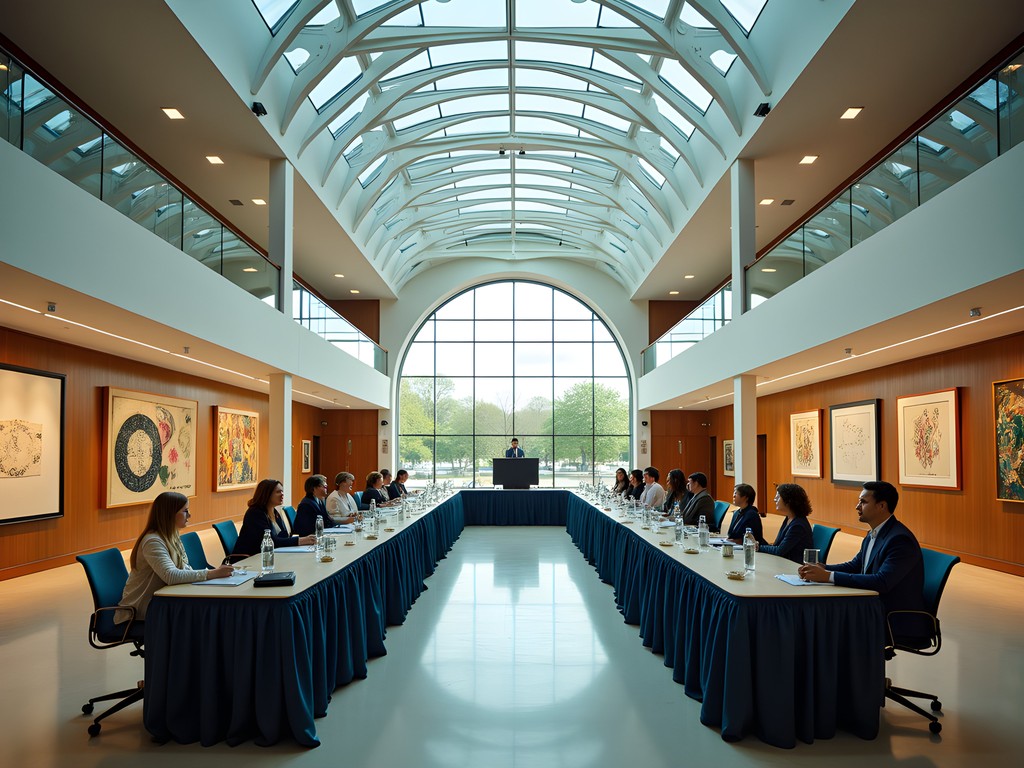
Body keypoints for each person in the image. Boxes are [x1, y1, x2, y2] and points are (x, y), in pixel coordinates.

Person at [798, 481, 927, 644]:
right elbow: (856, 565)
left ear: (881, 506)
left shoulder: (899, 540)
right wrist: (822, 569)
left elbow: (882, 582)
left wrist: (828, 576)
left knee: (828, 621)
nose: (857, 506)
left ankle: (846, 668)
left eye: (863, 502)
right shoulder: (874, 532)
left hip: (893, 617)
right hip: (873, 606)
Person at [115, 492, 232, 626]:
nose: (189, 515)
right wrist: (211, 574)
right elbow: (171, 575)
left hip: (164, 605)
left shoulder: (172, 535)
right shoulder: (153, 541)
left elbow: (184, 567)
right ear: (170, 514)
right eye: (185, 511)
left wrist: (210, 577)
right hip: (141, 612)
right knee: (205, 618)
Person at [234, 479, 316, 556]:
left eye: (282, 491)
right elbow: (270, 541)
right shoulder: (255, 513)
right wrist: (301, 540)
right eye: (278, 492)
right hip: (251, 558)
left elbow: (283, 536)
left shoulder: (274, 511)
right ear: (267, 495)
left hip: (271, 555)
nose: (282, 494)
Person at [757, 483, 814, 564]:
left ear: (788, 501)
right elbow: (777, 545)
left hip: (794, 566)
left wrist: (758, 547)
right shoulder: (789, 518)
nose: (774, 499)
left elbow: (780, 551)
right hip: (784, 561)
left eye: (778, 497)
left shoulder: (798, 525)